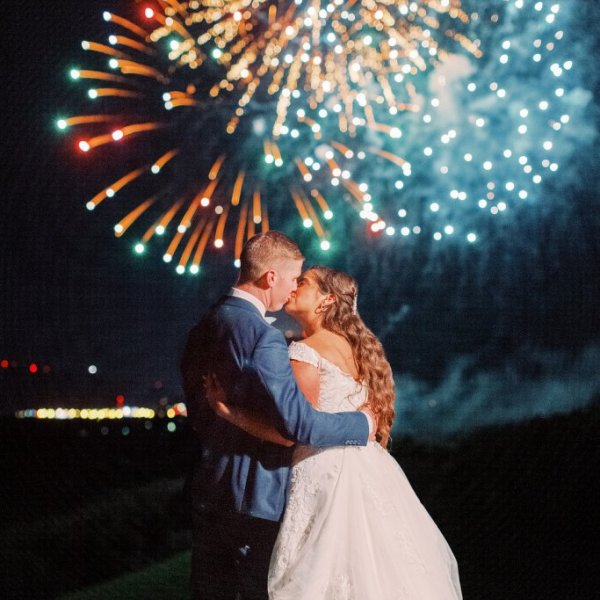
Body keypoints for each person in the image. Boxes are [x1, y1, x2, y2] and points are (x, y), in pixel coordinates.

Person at [205, 266, 463, 599]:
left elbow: (292, 432)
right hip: (373, 469)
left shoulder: (305, 351)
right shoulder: (360, 349)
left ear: (326, 300)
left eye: (305, 283)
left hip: (324, 473)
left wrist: (230, 413)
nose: (295, 286)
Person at [181, 232, 375, 600]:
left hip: (209, 487)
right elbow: (297, 425)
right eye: (292, 280)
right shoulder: (263, 337)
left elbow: (199, 412)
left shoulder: (205, 326)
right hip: (256, 496)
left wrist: (228, 418)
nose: (292, 290)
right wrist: (361, 424)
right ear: (270, 277)